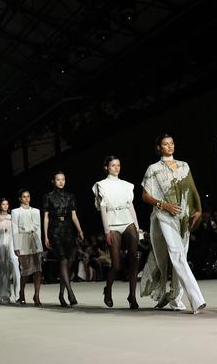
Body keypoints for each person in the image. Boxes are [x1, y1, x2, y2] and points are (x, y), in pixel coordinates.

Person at [140, 134, 206, 314]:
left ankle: (175, 298)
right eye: (165, 144)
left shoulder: (184, 165)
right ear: (159, 148)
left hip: (183, 216)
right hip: (163, 216)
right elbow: (145, 196)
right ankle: (197, 299)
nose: (169, 146)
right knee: (176, 254)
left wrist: (198, 209)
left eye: (171, 143)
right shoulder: (153, 169)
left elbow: (192, 189)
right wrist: (164, 205)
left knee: (181, 256)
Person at [92, 156, 140, 309]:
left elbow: (130, 206)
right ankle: (108, 290)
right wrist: (107, 231)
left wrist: (137, 227)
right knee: (116, 264)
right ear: (106, 167)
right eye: (113, 165)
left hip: (128, 221)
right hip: (112, 223)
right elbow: (103, 209)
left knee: (134, 258)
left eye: (118, 165)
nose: (116, 168)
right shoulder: (101, 185)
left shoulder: (126, 185)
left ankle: (132, 296)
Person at [43, 171, 85, 307]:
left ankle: (61, 294)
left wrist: (79, 229)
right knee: (63, 260)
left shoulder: (70, 196)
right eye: (58, 179)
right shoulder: (48, 197)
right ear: (53, 181)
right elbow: (46, 218)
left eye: (63, 179)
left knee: (66, 263)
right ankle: (70, 292)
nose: (61, 182)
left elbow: (73, 215)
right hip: (55, 230)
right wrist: (46, 235)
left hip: (68, 229)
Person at [11, 189, 44, 306]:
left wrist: (40, 245)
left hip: (35, 240)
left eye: (28, 196)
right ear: (20, 198)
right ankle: (22, 293)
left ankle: (37, 295)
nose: (26, 199)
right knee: (25, 270)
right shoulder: (15, 212)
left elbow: (38, 228)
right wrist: (16, 246)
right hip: (23, 241)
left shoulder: (36, 211)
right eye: (24, 197)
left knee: (38, 269)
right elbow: (14, 230)